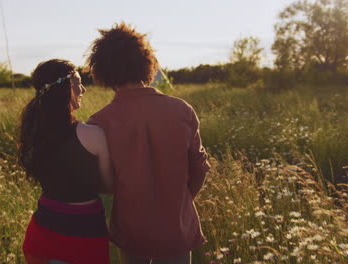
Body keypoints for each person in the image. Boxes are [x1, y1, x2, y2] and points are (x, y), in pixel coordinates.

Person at [86, 23, 210, 264]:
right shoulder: (182, 110)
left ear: (102, 69)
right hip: (176, 227)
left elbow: (105, 184)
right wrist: (179, 201)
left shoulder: (100, 122)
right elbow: (200, 169)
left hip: (132, 230)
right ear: (146, 62)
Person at [18, 59, 113, 264]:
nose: (83, 90)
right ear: (66, 88)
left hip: (42, 233)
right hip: (84, 235)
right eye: (79, 83)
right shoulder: (93, 135)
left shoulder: (35, 132)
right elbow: (108, 185)